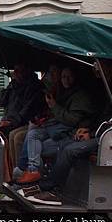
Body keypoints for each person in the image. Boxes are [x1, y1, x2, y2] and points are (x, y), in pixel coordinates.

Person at [22, 60, 112, 205]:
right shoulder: (103, 90)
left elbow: (106, 122)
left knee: (69, 149)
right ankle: (52, 186)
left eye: (104, 71)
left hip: (106, 138)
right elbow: (103, 118)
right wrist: (89, 130)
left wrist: (93, 134)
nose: (100, 74)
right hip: (101, 134)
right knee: (61, 145)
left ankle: (51, 189)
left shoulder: (84, 94)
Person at [17, 66, 96, 184]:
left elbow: (72, 120)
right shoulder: (64, 92)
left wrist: (53, 106)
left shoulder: (80, 96)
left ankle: (40, 178)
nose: (66, 80)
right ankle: (30, 170)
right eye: (63, 77)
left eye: (70, 77)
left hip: (71, 133)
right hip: (58, 129)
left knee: (35, 148)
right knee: (32, 135)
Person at [0, 63, 45, 165]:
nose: (16, 73)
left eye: (19, 71)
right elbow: (0, 102)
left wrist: (12, 122)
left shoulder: (34, 87)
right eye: (15, 71)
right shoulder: (13, 85)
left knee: (15, 136)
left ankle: (18, 168)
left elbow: (28, 109)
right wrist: (10, 86)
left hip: (23, 123)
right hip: (9, 121)